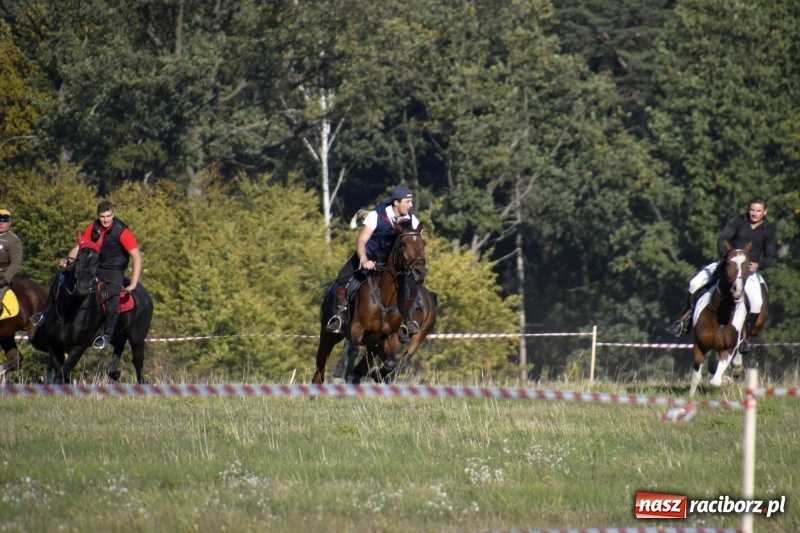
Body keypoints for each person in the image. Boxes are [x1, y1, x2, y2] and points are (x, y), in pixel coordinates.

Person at [665, 197, 777, 353]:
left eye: (758, 211)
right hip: (728, 263)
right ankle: (684, 322)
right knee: (694, 283)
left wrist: (759, 265)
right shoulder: (738, 221)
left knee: (757, 303)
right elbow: (722, 239)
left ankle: (744, 340)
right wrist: (726, 258)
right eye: (752, 210)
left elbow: (771, 256)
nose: (754, 214)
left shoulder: (768, 230)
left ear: (765, 212)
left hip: (748, 271)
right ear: (748, 209)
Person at [326, 186, 422, 340]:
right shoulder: (376, 215)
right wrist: (364, 260)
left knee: (412, 286)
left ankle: (407, 321)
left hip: (390, 264)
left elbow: (417, 244)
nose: (411, 205)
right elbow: (361, 241)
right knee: (342, 279)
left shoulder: (412, 220)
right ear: (397, 203)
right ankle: (339, 317)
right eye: (408, 202)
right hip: (367, 256)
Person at [60, 201, 143, 350]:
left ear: (113, 214)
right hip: (95, 266)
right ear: (98, 216)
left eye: (109, 216)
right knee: (66, 278)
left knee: (112, 299)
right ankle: (52, 315)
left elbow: (136, 255)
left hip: (114, 270)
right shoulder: (92, 227)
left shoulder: (122, 231)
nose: (106, 220)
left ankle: (106, 336)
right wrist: (69, 260)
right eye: (102, 216)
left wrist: (133, 283)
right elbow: (80, 247)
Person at [0, 209, 23, 316]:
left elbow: (16, 263)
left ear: (9, 223)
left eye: (4, 221)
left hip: (2, 274)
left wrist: (5, 278)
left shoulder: (13, 240)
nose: (1, 224)